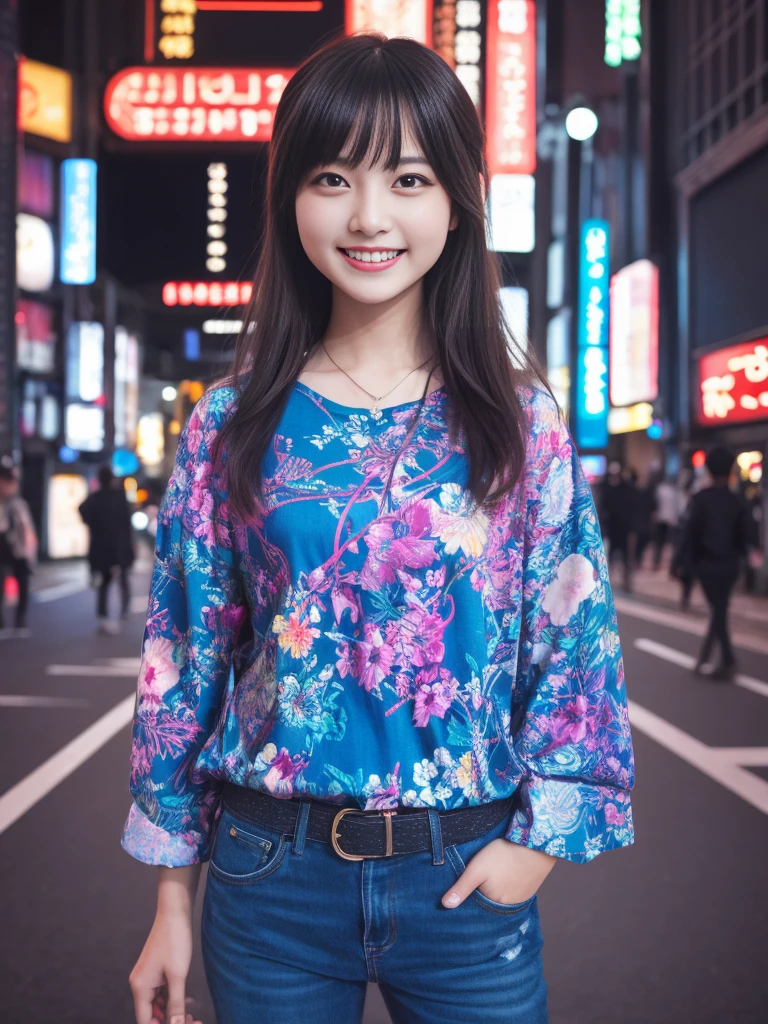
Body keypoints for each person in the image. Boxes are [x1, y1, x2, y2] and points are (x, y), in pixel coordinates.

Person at [122, 34, 635, 1024]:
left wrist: (536, 846)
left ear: (455, 203)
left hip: (465, 880)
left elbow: (576, 650)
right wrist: (170, 901)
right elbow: (180, 664)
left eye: (407, 178)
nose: (368, 216)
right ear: (291, 199)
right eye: (331, 176)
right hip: (267, 876)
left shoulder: (519, 419)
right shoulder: (233, 420)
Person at [677, 446, 761, 681]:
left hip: (707, 566)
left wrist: (682, 563)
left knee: (719, 610)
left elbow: (690, 534)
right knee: (720, 610)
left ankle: (725, 659)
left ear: (709, 470)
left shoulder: (701, 499)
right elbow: (748, 533)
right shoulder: (738, 501)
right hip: (730, 565)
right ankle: (715, 658)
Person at [78, 465, 135, 634]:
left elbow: (82, 510)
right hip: (120, 545)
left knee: (104, 581)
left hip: (101, 547)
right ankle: (124, 612)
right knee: (123, 579)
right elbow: (127, 523)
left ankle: (103, 616)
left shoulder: (95, 497)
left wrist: (92, 524)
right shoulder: (119, 496)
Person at [0, 465, 38, 638]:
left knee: (23, 584)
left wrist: (30, 555)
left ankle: (20, 620)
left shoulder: (19, 505)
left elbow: (28, 532)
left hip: (18, 550)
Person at [600, 461, 637, 591]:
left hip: (624, 528)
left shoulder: (626, 489)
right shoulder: (607, 488)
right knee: (611, 555)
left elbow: (632, 508)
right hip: (612, 528)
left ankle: (626, 582)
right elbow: (604, 508)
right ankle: (608, 580)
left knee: (626, 556)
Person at [652, 471, 679, 570]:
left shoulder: (659, 489)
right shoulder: (672, 491)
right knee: (665, 543)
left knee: (659, 542)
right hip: (668, 519)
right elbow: (675, 506)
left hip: (661, 518)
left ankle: (657, 561)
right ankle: (661, 561)